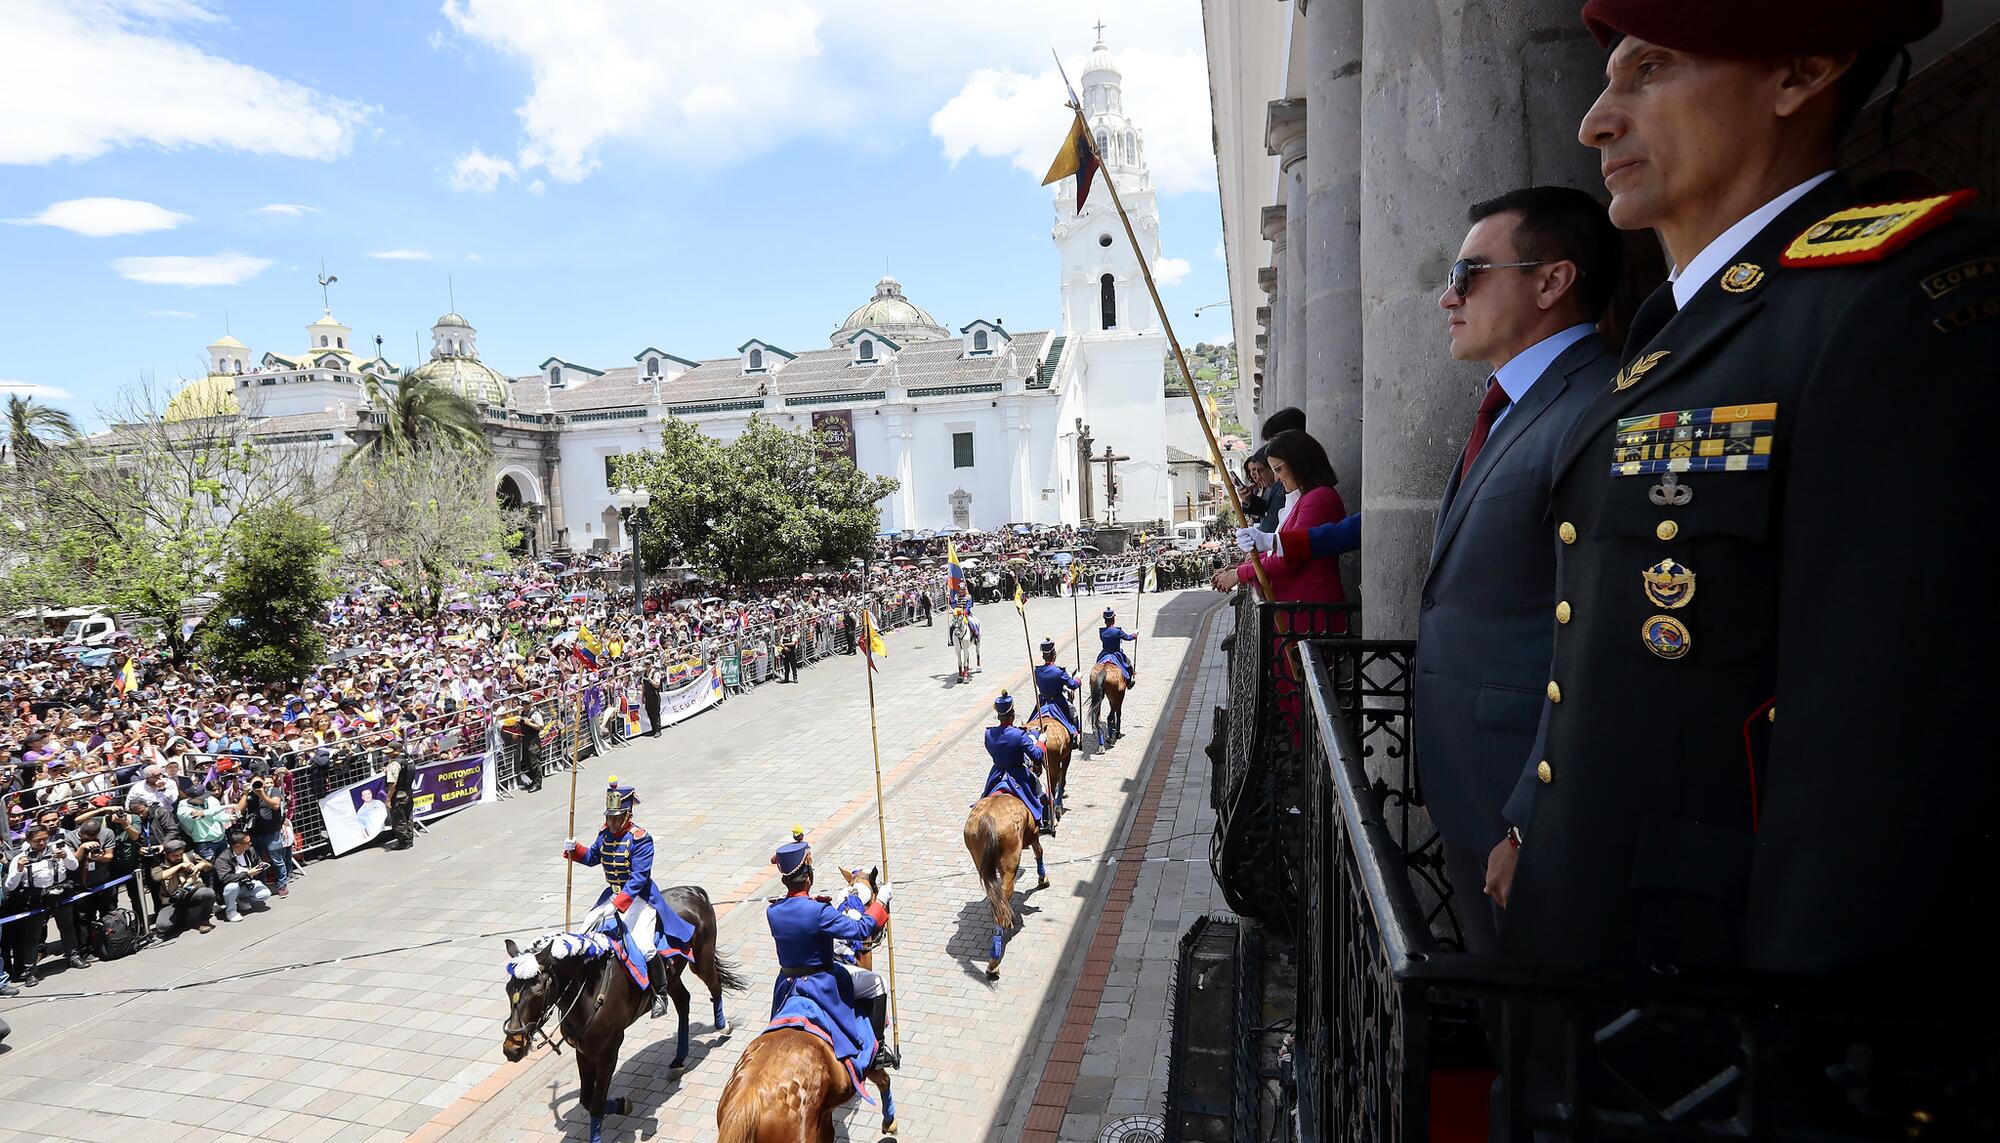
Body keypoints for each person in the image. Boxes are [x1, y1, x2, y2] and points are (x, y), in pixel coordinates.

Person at [1501, 0, 1990, 982]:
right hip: (1607, 943)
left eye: (1650, 70)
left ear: (1797, 72)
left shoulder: (1884, 304)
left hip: (1725, 1002)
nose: (1596, 119)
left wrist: (1797, 1056)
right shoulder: (1671, 326)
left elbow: (1886, 750)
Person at [1259, 187, 1624, 957]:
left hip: (1528, 807)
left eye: (1469, 272)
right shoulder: (1514, 403)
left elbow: (1603, 639)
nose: (1444, 295)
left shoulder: (1597, 406)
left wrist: (1530, 816)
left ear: (1551, 281)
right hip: (1475, 789)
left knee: (1544, 1036)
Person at [563, 778, 695, 1019]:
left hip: (638, 900)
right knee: (584, 935)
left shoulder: (641, 839)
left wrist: (616, 904)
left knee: (644, 946)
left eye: (615, 818)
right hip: (611, 895)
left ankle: (660, 994)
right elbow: (593, 857)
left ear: (627, 815)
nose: (611, 823)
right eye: (608, 818)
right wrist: (575, 850)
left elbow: (638, 878)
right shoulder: (605, 833)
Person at [765, 834, 899, 1069]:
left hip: (786, 984)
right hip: (822, 981)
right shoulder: (819, 911)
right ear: (809, 876)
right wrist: (881, 902)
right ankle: (877, 1051)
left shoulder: (773, 911)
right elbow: (861, 929)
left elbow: (797, 913)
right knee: (878, 983)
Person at [1211, 430, 1349, 621]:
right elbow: (1279, 551)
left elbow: (1291, 557)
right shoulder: (1306, 498)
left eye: (1278, 470)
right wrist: (1241, 567)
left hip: (1309, 614)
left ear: (1298, 464)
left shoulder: (1319, 498)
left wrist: (1240, 573)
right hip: (1299, 612)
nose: (1276, 479)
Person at [3, 824, 87, 981]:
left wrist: (66, 856)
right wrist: (20, 869)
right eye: (37, 841)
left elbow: (74, 866)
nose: (42, 843)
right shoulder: (19, 858)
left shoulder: (59, 849)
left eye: (44, 839)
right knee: (33, 936)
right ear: (29, 841)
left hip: (60, 893)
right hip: (35, 898)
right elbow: (10, 886)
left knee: (67, 927)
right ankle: (30, 971)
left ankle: (73, 957)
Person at [982, 692, 1055, 836]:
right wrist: (1041, 741)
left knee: (984, 798)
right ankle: (1045, 824)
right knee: (1044, 792)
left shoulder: (988, 734)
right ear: (1013, 715)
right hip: (1018, 774)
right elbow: (1036, 754)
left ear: (998, 715)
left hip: (996, 774)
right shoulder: (1019, 735)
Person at [149, 839, 216, 938]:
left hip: (192, 894)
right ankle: (182, 917)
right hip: (172, 900)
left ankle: (204, 920)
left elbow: (209, 867)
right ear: (167, 854)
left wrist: (202, 865)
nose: (179, 857)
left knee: (208, 893)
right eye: (175, 855)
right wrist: (180, 866)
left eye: (180, 854)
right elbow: (157, 877)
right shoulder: (159, 862)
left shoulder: (190, 856)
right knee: (163, 926)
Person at [212, 831, 273, 922]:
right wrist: (247, 873)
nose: (250, 844)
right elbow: (225, 878)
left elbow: (257, 861)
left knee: (265, 893)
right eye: (248, 843)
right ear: (238, 845)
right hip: (229, 888)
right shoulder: (223, 858)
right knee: (232, 887)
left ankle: (241, 900)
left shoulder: (250, 851)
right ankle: (231, 911)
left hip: (246, 884)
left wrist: (261, 865)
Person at [1031, 639, 1082, 736]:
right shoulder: (1059, 672)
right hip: (1058, 702)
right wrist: (1078, 678)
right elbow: (1073, 685)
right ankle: (1076, 735)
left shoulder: (1037, 671)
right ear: (1054, 654)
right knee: (1073, 713)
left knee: (1031, 721)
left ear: (1043, 656)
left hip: (1042, 701)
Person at [1094, 608, 1138, 689]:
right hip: (1116, 653)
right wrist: (1134, 634)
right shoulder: (1117, 631)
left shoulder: (1101, 632)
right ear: (1113, 619)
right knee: (1128, 663)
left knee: (1097, 664)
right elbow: (1128, 637)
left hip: (1104, 653)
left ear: (1105, 620)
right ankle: (1129, 682)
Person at [383, 748, 415, 852]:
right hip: (408, 792)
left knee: (399, 819)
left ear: (396, 751)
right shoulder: (409, 760)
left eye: (390, 752)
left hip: (399, 795)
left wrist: (388, 799)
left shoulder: (395, 764)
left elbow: (393, 783)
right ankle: (409, 840)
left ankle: (403, 842)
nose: (388, 755)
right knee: (408, 817)